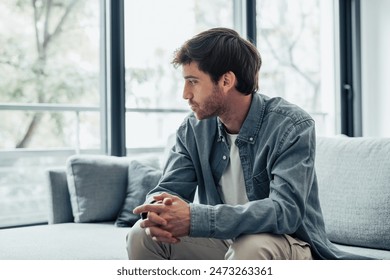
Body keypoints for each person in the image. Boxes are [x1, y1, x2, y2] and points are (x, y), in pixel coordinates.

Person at [126, 27, 367, 260]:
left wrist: (198, 218)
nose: (185, 94)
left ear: (226, 81)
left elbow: (286, 212)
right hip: (226, 240)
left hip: (286, 243)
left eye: (193, 81)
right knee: (141, 235)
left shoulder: (291, 125)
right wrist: (157, 212)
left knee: (251, 246)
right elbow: (168, 190)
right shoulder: (193, 130)